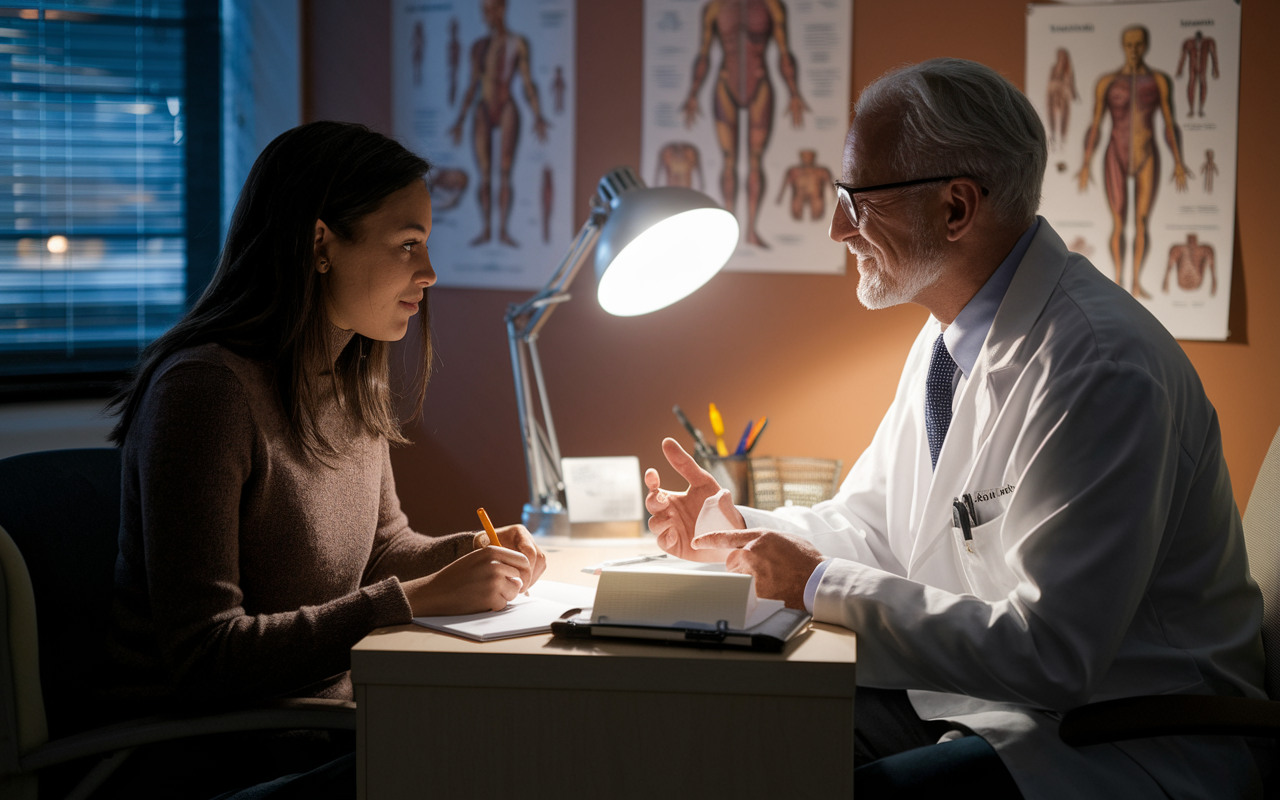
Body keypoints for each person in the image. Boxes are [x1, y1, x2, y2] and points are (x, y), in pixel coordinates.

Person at [645, 59, 1266, 799]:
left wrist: (812, 581)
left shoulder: (1101, 369)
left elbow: (1053, 655)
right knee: (737, 729)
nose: (838, 226)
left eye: (858, 197)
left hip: (1122, 740)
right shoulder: (950, 341)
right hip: (983, 705)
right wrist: (734, 528)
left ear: (956, 209)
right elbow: (875, 529)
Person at [103, 121, 546, 798]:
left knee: (538, 737)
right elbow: (206, 657)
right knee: (506, 762)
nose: (428, 273)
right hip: (218, 753)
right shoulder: (206, 392)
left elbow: (381, 545)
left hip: (330, 727)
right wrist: (419, 599)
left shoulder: (346, 380)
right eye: (407, 245)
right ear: (320, 246)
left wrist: (472, 554)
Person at [1077, 25, 1191, 300]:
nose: (1134, 50)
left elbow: (1168, 122)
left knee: (1141, 221)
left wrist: (1178, 160)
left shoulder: (1158, 81)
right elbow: (1095, 124)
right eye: (1129, 44)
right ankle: (1118, 281)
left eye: (1139, 44)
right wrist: (1085, 163)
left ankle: (1136, 283)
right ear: (1123, 46)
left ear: (1146, 46)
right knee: (1118, 222)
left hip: (1147, 153)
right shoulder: (1107, 82)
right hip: (1115, 153)